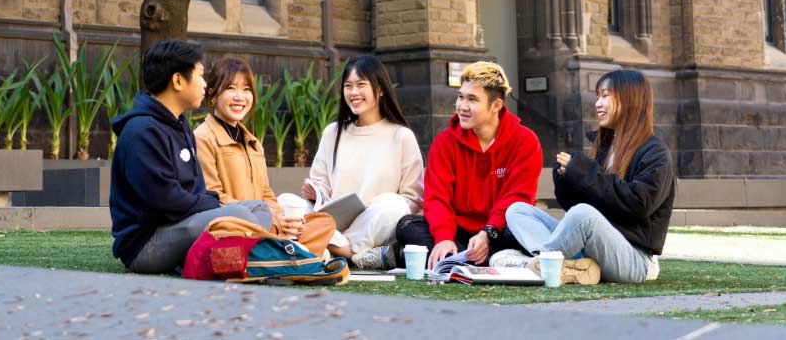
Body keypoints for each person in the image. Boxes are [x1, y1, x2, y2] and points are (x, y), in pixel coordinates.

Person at [110, 39, 272, 274]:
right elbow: (165, 201)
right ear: (178, 80)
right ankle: (255, 259)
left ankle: (229, 260)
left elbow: (195, 189)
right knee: (239, 214)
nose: (205, 85)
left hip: (183, 223)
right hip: (146, 245)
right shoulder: (142, 131)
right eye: (200, 75)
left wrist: (214, 202)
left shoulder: (179, 124)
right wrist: (216, 203)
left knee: (259, 209)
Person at [505, 69, 676, 284]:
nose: (597, 104)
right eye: (597, 97)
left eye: (605, 96)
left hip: (635, 260)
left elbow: (638, 205)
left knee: (583, 214)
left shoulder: (655, 153)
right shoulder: (605, 148)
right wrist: (567, 180)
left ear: (629, 100)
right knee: (518, 210)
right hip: (593, 252)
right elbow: (580, 206)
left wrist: (584, 173)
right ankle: (560, 265)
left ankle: (540, 264)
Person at [278, 55, 423, 270]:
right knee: (285, 201)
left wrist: (375, 213)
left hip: (373, 226)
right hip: (332, 222)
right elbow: (321, 183)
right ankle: (353, 254)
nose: (353, 92)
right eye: (348, 86)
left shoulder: (401, 136)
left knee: (395, 205)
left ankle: (331, 249)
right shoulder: (333, 132)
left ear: (380, 89)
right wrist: (315, 191)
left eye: (361, 85)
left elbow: (413, 199)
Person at [394, 61, 541, 269]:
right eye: (460, 97)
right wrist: (444, 237)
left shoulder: (525, 141)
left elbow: (517, 197)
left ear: (496, 105)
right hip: (458, 232)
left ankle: (446, 259)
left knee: (522, 228)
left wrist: (487, 234)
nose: (462, 106)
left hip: (500, 231)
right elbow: (437, 198)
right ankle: (485, 261)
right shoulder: (445, 142)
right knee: (407, 225)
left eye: (472, 99)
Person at [193, 56, 334, 256]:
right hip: (235, 227)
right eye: (231, 88)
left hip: (266, 225)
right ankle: (290, 253)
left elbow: (266, 194)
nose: (240, 97)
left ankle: (285, 250)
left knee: (324, 222)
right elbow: (213, 197)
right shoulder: (203, 137)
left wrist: (282, 219)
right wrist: (270, 221)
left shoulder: (253, 143)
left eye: (246, 89)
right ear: (213, 94)